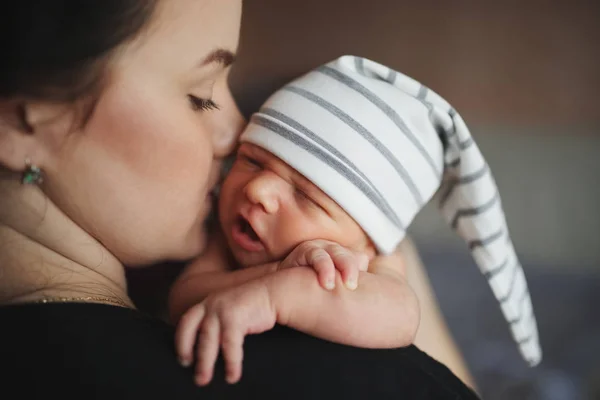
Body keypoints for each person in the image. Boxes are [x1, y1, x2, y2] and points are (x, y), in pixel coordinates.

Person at [0, 1, 480, 399]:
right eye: (201, 94)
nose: (238, 133)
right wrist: (283, 282)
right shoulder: (371, 380)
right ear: (24, 123)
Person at [170, 55, 542, 386]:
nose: (258, 190)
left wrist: (276, 298)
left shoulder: (372, 263)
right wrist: (272, 277)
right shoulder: (225, 239)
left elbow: (400, 317)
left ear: (367, 239)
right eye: (251, 161)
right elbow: (182, 299)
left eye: (305, 194)